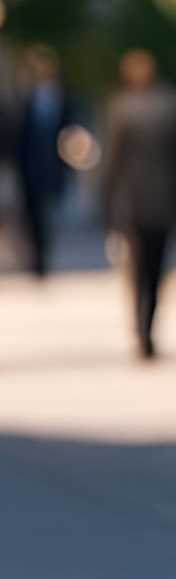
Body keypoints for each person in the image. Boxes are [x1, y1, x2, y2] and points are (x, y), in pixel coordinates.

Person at [99, 47, 176, 358]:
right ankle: (141, 325)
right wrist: (107, 198)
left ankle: (147, 324)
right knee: (140, 265)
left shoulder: (166, 104)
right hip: (134, 200)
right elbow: (113, 160)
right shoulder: (122, 107)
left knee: (153, 266)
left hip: (159, 198)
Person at [11, 43, 78, 276]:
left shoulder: (65, 97)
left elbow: (72, 132)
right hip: (30, 169)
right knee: (33, 218)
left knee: (49, 215)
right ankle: (37, 259)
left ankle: (45, 255)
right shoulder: (25, 99)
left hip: (54, 167)